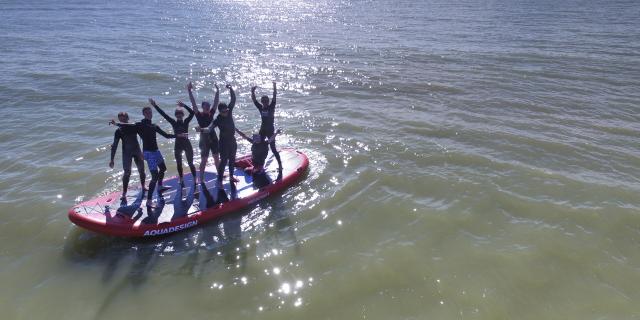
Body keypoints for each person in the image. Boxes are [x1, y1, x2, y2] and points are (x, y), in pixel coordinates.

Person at [113, 104, 182, 207]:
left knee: (163, 168)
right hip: (148, 153)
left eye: (150, 112)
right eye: (147, 113)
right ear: (144, 114)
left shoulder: (154, 126)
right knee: (154, 176)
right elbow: (127, 126)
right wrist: (116, 124)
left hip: (156, 151)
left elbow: (166, 136)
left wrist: (178, 135)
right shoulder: (140, 125)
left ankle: (160, 186)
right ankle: (149, 201)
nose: (149, 114)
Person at [148, 98, 196, 187]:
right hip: (178, 145)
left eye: (180, 114)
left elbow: (192, 113)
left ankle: (195, 178)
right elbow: (164, 115)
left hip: (187, 144)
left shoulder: (186, 121)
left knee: (190, 163)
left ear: (183, 115)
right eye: (177, 114)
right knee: (179, 163)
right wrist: (155, 106)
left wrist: (184, 106)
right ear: (175, 115)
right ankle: (181, 179)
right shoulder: (173, 122)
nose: (179, 115)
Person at [197, 84, 237, 188]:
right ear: (220, 111)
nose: (227, 112)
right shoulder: (217, 119)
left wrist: (231, 89)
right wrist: (201, 129)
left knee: (232, 159)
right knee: (223, 161)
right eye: (224, 111)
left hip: (232, 141)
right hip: (223, 143)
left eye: (227, 110)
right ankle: (219, 181)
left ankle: (231, 176)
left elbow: (233, 99)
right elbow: (209, 128)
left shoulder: (229, 111)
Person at [187, 82, 220, 184]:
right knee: (204, 160)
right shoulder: (199, 115)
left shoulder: (211, 113)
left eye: (208, 106)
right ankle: (200, 178)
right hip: (204, 140)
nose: (208, 107)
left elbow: (216, 103)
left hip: (213, 138)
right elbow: (193, 104)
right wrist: (189, 91)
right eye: (206, 106)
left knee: (216, 158)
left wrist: (217, 91)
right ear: (202, 107)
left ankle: (220, 174)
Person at [109, 111, 146, 201]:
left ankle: (143, 187)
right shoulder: (118, 131)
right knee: (127, 173)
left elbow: (144, 138)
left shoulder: (133, 126)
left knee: (141, 170)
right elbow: (115, 145)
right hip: (127, 153)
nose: (123, 121)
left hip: (137, 151)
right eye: (120, 119)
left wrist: (144, 151)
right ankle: (124, 193)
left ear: (128, 118)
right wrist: (112, 159)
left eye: (124, 119)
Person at [251, 81, 282, 172]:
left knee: (273, 149)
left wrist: (274, 86)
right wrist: (252, 92)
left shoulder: (272, 106)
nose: (265, 103)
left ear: (268, 101)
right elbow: (254, 100)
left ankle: (280, 165)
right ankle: (258, 164)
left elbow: (275, 96)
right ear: (262, 102)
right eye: (263, 101)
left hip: (270, 130)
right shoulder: (261, 107)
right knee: (257, 145)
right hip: (262, 130)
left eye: (266, 101)